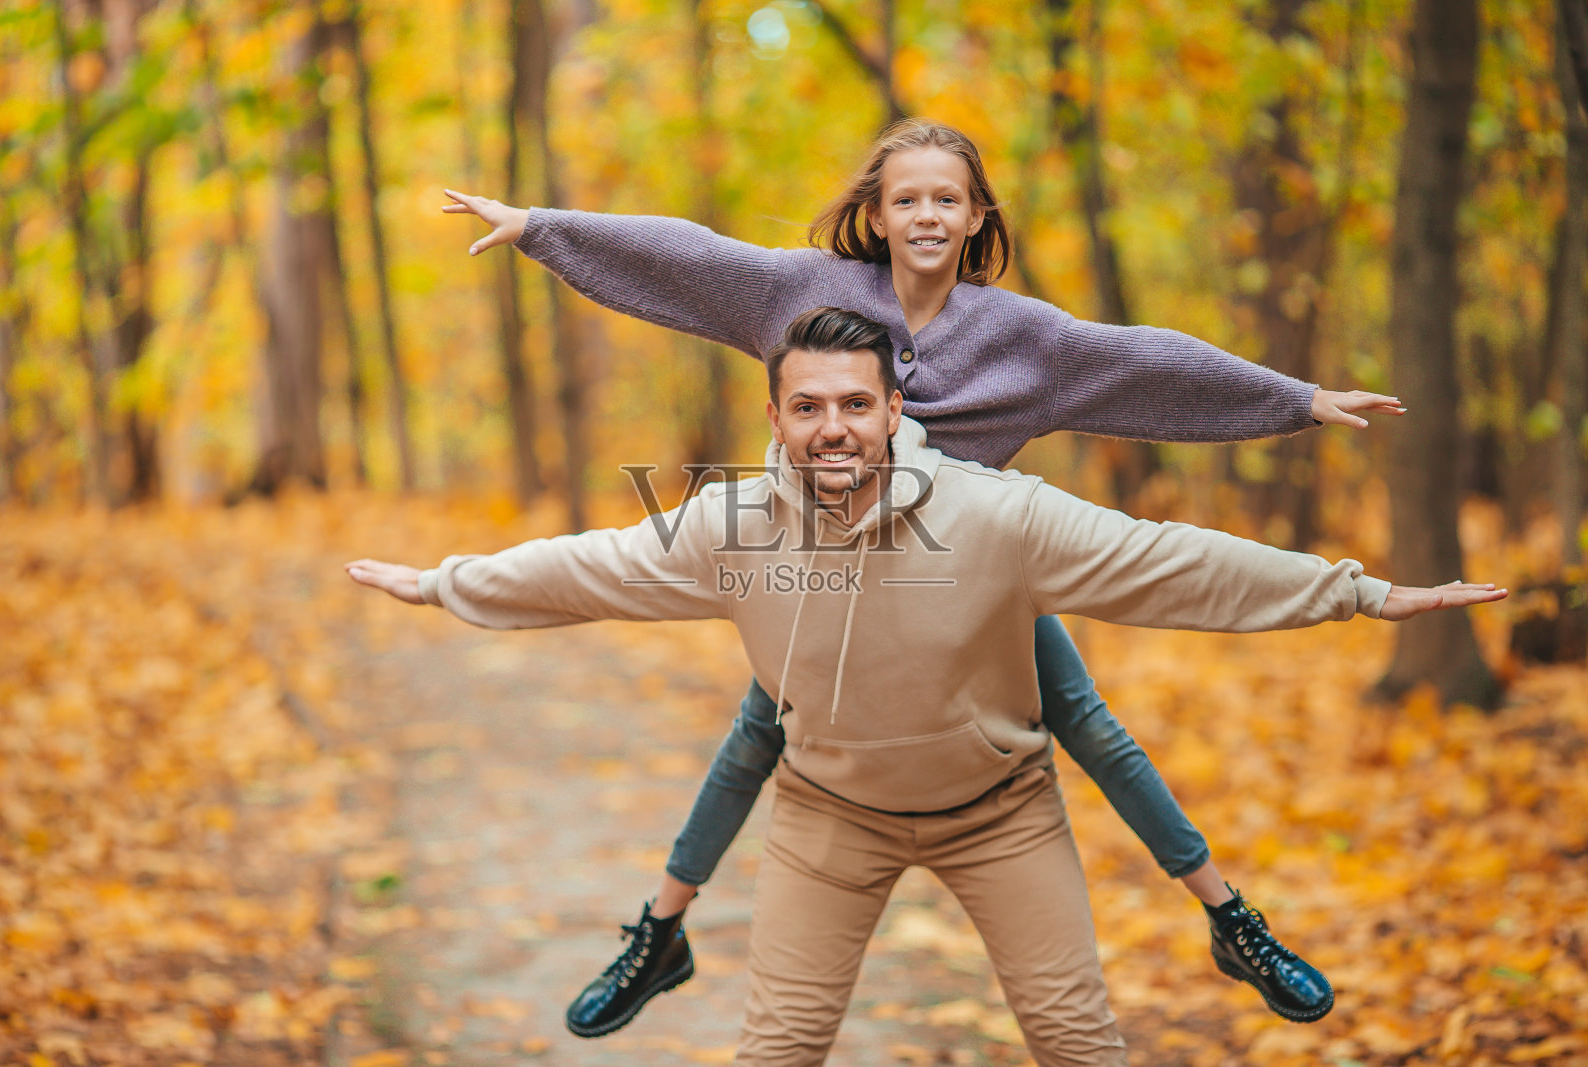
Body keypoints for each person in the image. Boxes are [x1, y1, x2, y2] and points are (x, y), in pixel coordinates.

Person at [440, 119, 1407, 1030]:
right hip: (826, 570)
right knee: (759, 732)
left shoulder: (1027, 336)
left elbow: (1145, 364)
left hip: (970, 586)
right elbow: (690, 260)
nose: (928, 218)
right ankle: (656, 934)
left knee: (1093, 728)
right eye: (907, 201)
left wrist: (1296, 400)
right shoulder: (802, 289)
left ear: (978, 214)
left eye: (948, 200)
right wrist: (537, 228)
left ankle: (1231, 921)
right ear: (879, 212)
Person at [347, 307, 1502, 1065]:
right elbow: (587, 565)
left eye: (856, 402)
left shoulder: (995, 515)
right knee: (778, 1046)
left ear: (896, 409)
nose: (833, 425)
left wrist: (1356, 592)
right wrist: (447, 583)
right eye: (808, 405)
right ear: (775, 419)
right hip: (825, 815)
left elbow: (1169, 559)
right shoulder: (730, 522)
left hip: (998, 809)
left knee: (1076, 1040)